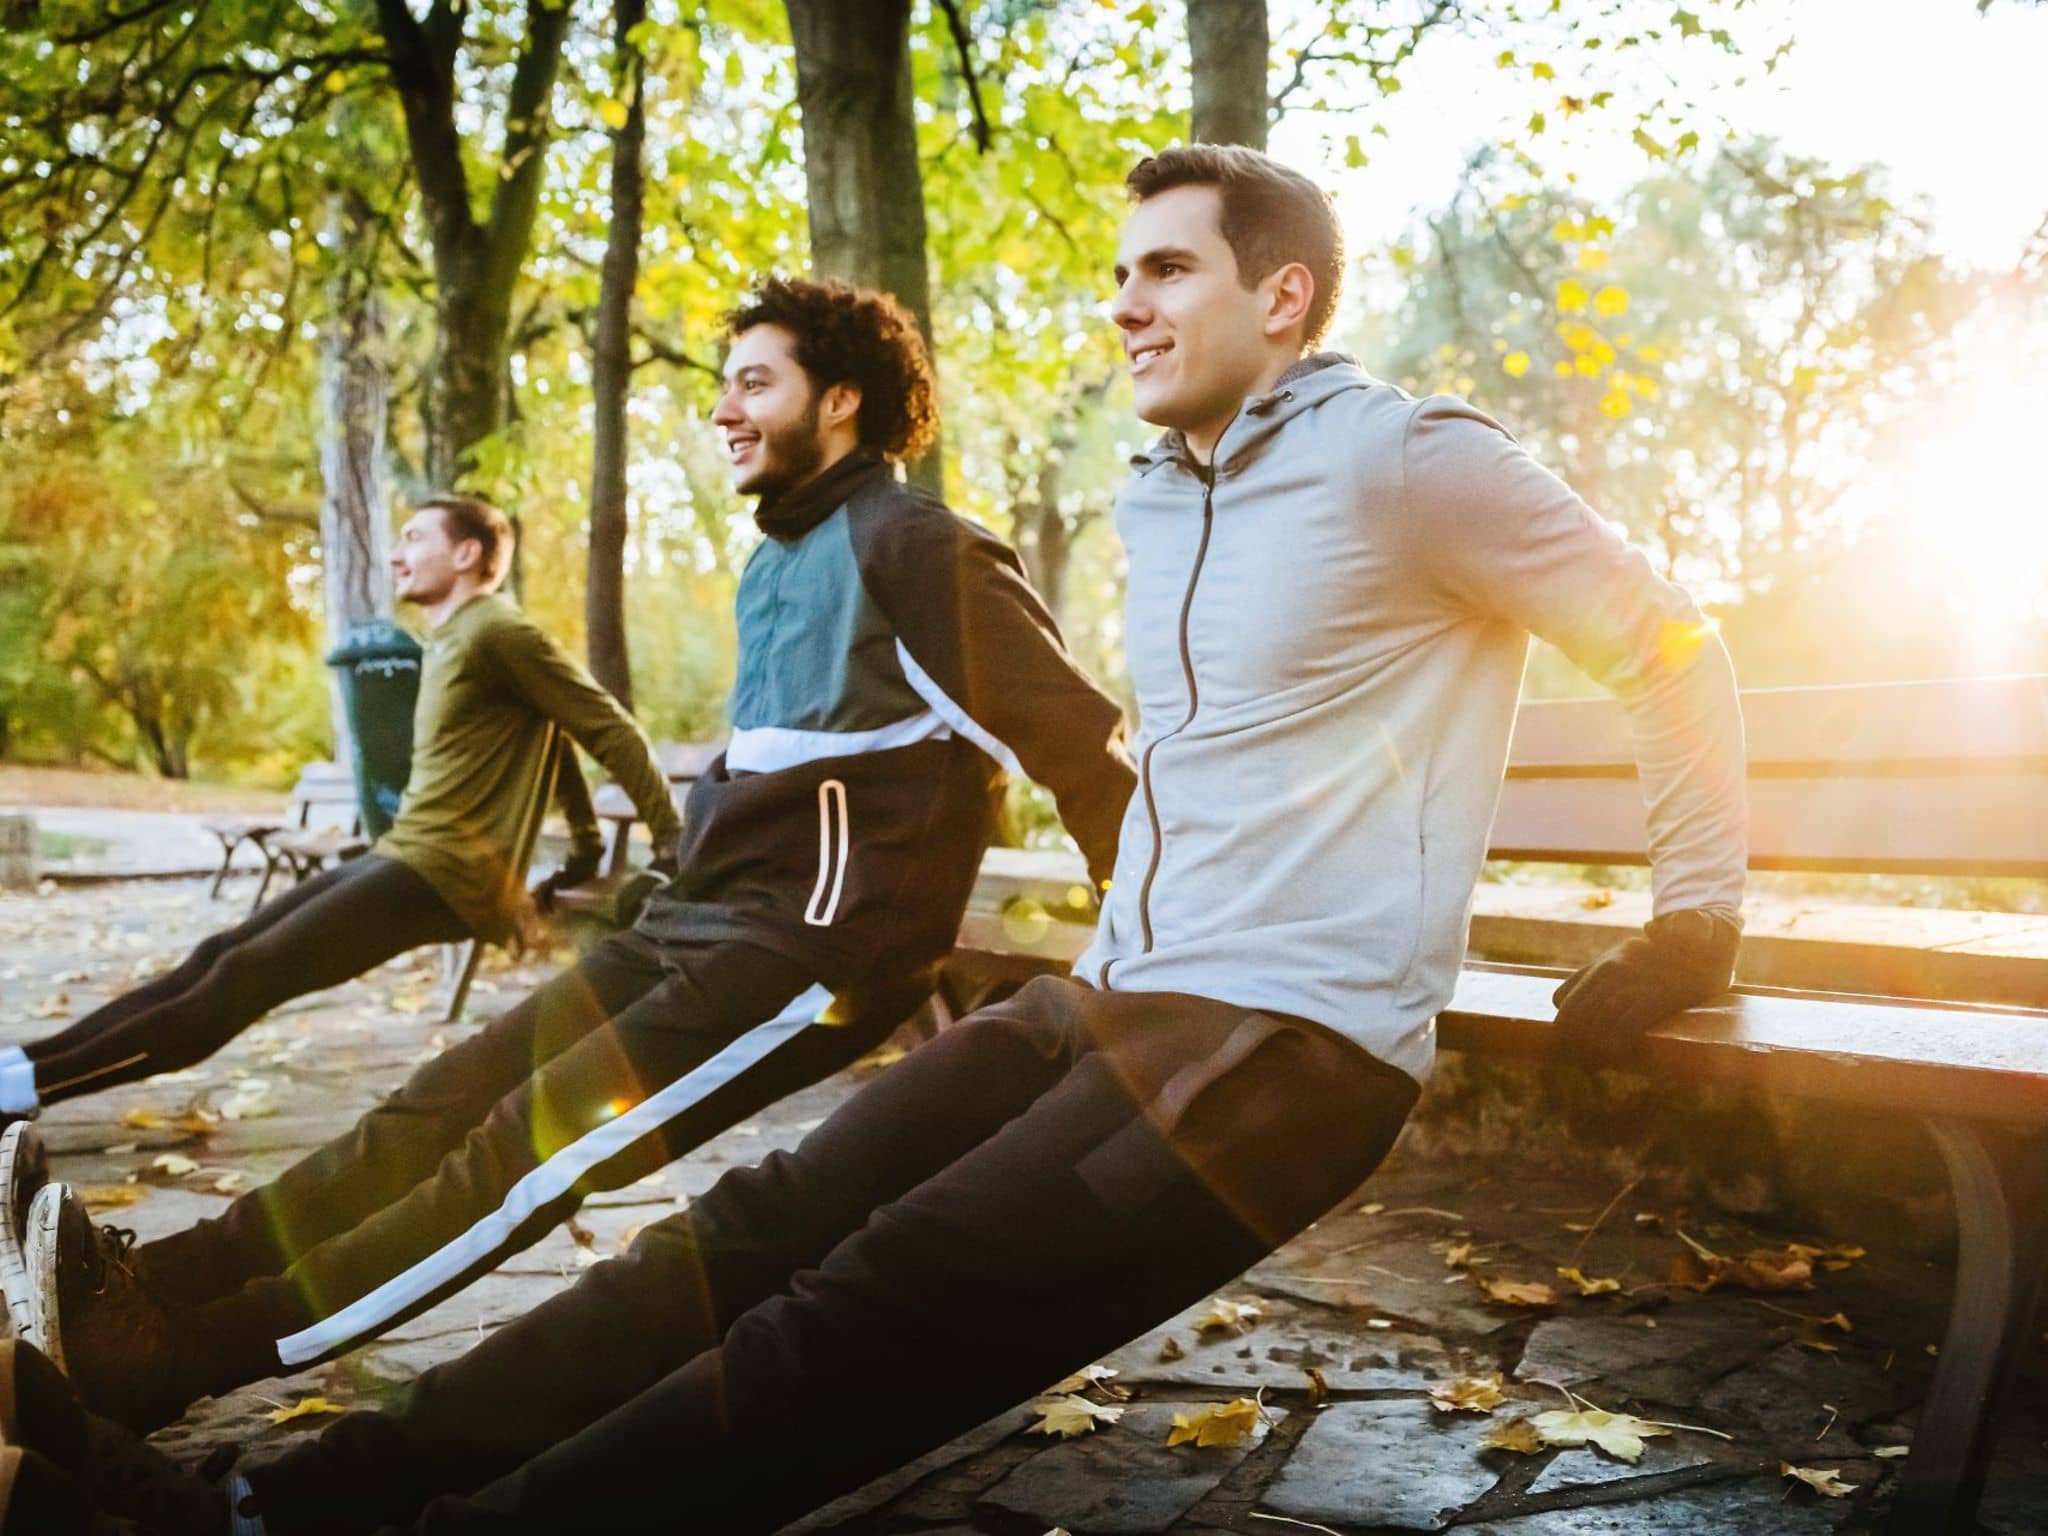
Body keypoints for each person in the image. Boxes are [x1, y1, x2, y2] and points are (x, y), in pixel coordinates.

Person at [1, 145, 1746, 1536]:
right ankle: (262, 1499)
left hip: (1280, 1049)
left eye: (1166, 267)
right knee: (737, 1230)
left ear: (1281, 293)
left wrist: (1691, 926)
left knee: (855, 1316)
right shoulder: (1170, 489)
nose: (1120, 301)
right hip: (1113, 1000)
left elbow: (1668, 642)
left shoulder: (1406, 461)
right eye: (1116, 269)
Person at [7, 276, 1135, 1441]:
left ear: (841, 399)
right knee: (436, 1100)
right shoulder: (777, 561)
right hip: (692, 927)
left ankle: (183, 1356)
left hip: (811, 957)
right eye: (722, 387)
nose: (724, 412)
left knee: (523, 1155)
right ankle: (167, 1283)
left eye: (755, 383)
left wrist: (1136, 940)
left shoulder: (917, 544)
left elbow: (1083, 747)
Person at [0, 493, 680, 1330]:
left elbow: (607, 726)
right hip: (405, 855)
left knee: (242, 978)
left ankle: (19, 1091)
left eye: (415, 538)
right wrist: (578, 843)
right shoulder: (458, 640)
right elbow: (549, 736)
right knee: (221, 954)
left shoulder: (501, 629)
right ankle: (15, 1070)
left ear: (469, 556)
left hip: (441, 873)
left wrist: (675, 848)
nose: (398, 554)